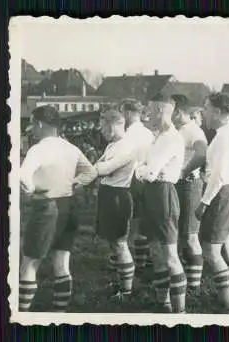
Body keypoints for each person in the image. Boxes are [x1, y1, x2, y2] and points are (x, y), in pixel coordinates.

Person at [19, 105, 97, 312]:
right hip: (68, 207)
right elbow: (90, 172)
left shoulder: (38, 149)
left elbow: (22, 176)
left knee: (29, 264)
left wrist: (32, 190)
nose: (30, 129)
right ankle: (59, 314)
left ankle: (22, 316)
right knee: (61, 263)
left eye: (32, 124)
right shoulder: (71, 147)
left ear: (40, 124)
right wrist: (73, 183)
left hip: (46, 207)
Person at [135, 93, 186, 313]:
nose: (146, 114)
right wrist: (143, 169)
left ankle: (180, 312)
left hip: (163, 193)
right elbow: (145, 168)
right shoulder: (157, 136)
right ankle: (162, 302)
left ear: (159, 110)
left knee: (170, 255)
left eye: (148, 110)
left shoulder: (170, 138)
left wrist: (141, 170)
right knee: (156, 251)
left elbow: (150, 172)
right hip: (152, 194)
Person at [196, 92, 229, 313]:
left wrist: (204, 202)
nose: (203, 112)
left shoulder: (223, 137)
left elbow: (218, 174)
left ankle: (228, 306)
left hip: (220, 193)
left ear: (217, 111)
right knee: (227, 244)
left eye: (205, 108)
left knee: (211, 251)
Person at [93, 109, 141, 301]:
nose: (101, 130)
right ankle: (121, 282)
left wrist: (95, 169)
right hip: (108, 194)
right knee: (113, 243)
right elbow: (97, 165)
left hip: (119, 196)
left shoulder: (127, 146)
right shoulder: (113, 145)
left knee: (120, 244)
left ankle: (127, 291)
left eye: (104, 126)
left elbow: (103, 168)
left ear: (114, 125)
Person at [172, 94, 208, 292]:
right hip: (178, 184)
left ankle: (194, 288)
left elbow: (202, 154)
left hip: (190, 184)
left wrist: (184, 170)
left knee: (190, 234)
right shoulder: (178, 130)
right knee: (179, 233)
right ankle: (185, 276)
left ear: (177, 111)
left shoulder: (194, 130)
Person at [118, 99, 155, 272]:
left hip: (131, 178)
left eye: (122, 112)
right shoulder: (149, 133)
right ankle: (144, 259)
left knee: (131, 221)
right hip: (147, 178)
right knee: (142, 219)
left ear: (129, 113)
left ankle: (133, 261)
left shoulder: (127, 135)